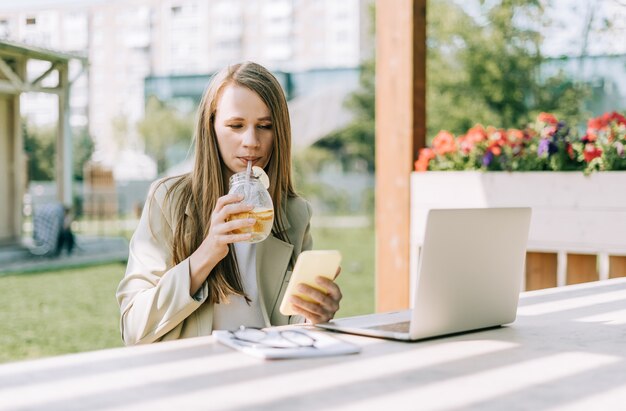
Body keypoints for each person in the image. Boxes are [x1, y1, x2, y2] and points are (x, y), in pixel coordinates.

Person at [116, 62, 343, 345]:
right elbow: (133, 329)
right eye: (236, 126)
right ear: (210, 127)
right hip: (196, 376)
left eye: (265, 126)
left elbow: (290, 322)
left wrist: (316, 316)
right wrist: (207, 252)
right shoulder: (168, 201)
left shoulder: (293, 213)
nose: (251, 141)